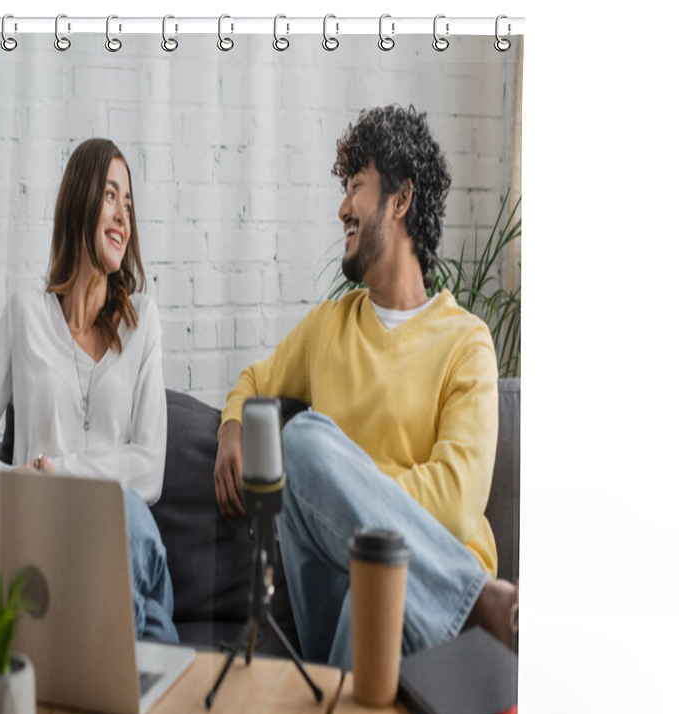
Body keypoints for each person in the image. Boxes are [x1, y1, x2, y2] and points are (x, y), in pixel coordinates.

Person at [214, 106, 517, 669]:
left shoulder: (466, 344)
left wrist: (337, 487)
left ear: (400, 200)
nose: (342, 207)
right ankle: (476, 604)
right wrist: (233, 423)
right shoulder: (328, 326)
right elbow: (256, 380)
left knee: (374, 595)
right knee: (302, 443)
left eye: (357, 187)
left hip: (415, 603)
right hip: (332, 589)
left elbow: (454, 506)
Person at [0, 138, 178, 644]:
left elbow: (149, 468)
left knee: (126, 509)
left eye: (128, 204)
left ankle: (91, 673)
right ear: (79, 204)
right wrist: (14, 482)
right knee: (156, 647)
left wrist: (56, 472)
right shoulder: (26, 314)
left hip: (126, 543)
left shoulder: (145, 323)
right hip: (42, 545)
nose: (122, 216)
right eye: (111, 196)